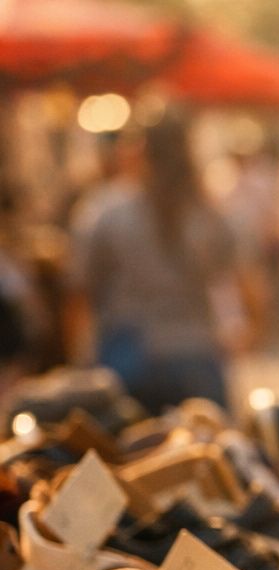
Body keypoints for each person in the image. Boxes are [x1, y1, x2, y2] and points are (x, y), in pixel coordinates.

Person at [70, 113, 264, 410]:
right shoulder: (209, 215)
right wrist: (249, 337)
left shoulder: (105, 212)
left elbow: (78, 294)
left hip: (126, 358)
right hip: (196, 358)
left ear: (137, 150)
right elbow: (251, 288)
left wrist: (83, 359)